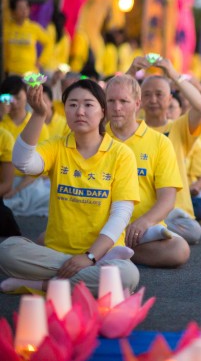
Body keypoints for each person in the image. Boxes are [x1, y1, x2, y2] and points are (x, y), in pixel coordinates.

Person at [0, 79, 140, 294]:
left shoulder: (121, 154)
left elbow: (121, 214)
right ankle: (79, 278)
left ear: (103, 111)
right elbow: (23, 163)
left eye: (88, 105)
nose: (80, 111)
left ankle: (43, 284)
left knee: (128, 275)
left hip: (101, 252)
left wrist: (89, 256)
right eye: (72, 105)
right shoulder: (57, 146)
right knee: (6, 251)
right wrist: (38, 114)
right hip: (56, 252)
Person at [106, 74, 190, 267]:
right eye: (111, 101)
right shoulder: (97, 137)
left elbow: (168, 199)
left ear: (137, 104)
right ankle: (111, 249)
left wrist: (143, 222)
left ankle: (114, 251)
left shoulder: (160, 142)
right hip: (100, 227)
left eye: (124, 101)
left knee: (179, 250)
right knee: (49, 238)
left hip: (140, 232)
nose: (117, 107)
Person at [127, 55, 201, 244]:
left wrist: (173, 73)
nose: (153, 99)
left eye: (159, 94)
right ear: (138, 99)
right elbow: (111, 105)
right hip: (137, 209)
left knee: (193, 231)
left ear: (170, 98)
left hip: (173, 213)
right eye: (146, 94)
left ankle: (144, 233)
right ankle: (147, 233)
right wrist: (131, 72)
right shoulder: (129, 127)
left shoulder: (179, 127)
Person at [0, 75, 51, 217]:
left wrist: (16, 190)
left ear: (26, 94)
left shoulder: (36, 122)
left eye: (17, 96)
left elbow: (40, 167)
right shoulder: (2, 124)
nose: (14, 103)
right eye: (8, 98)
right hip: (5, 180)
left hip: (29, 181)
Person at [3, 0, 52, 75]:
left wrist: (41, 61)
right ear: (13, 11)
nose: (24, 11)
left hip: (30, 72)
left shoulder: (34, 27)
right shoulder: (6, 28)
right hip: (11, 72)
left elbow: (49, 43)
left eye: (26, 7)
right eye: (20, 8)